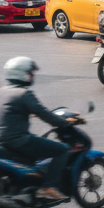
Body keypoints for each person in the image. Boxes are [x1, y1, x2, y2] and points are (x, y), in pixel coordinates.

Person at [0, 57, 75, 202]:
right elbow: (43, 113)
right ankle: (48, 188)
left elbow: (10, 111)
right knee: (63, 149)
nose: (32, 76)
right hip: (18, 140)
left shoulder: (2, 91)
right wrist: (64, 123)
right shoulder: (23, 94)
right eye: (30, 73)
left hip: (3, 140)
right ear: (22, 74)